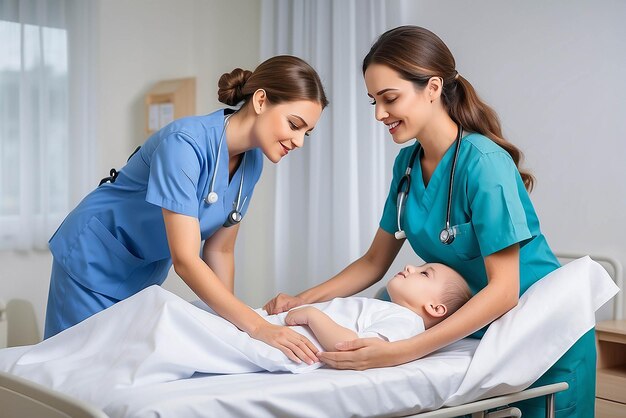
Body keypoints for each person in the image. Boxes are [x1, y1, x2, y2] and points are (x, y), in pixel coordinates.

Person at [264, 26, 594, 417]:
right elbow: (373, 263)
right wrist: (303, 299)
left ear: (433, 88)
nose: (379, 114)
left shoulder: (484, 164)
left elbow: (504, 291)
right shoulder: (407, 166)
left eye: (389, 98)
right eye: (373, 101)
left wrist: (401, 351)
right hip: (468, 334)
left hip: (539, 338)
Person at [44, 55, 327, 366]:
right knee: (70, 370)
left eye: (307, 133)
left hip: (140, 271)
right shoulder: (184, 143)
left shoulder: (252, 162)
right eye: (294, 125)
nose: (299, 141)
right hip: (91, 259)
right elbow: (186, 260)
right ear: (261, 101)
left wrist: (231, 325)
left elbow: (220, 251)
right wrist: (256, 325)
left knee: (115, 370)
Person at [285, 262, 471, 352]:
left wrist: (312, 315)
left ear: (435, 308)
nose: (409, 267)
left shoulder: (406, 322)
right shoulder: (393, 312)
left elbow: (353, 348)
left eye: (424, 273)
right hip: (283, 330)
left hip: (289, 341)